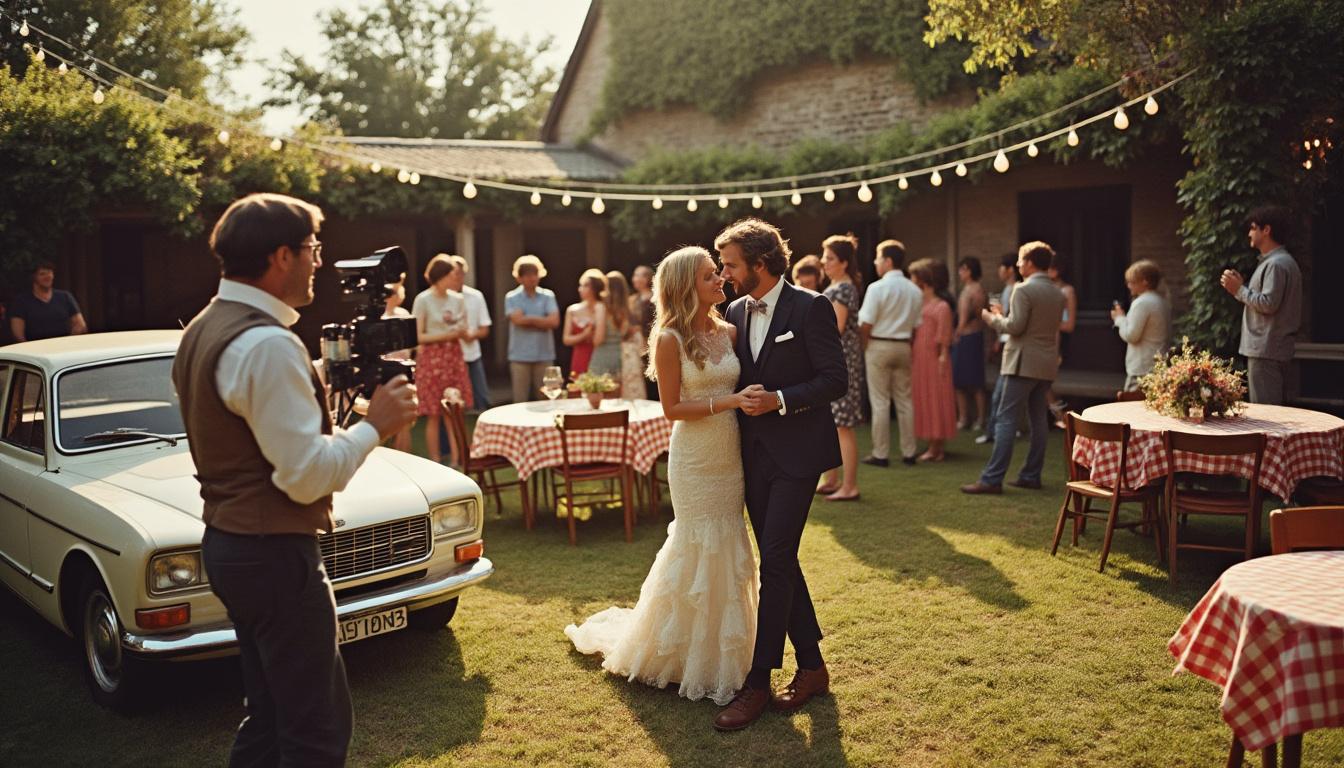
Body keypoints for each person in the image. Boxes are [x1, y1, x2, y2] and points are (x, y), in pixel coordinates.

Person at [172, 193, 418, 767]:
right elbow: (306, 478)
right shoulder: (267, 344)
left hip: (228, 544)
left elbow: (243, 423)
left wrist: (325, 388)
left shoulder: (203, 328)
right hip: (275, 556)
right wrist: (374, 425)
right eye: (313, 247)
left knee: (268, 718)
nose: (319, 261)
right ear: (281, 256)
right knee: (315, 732)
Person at [566, 246, 760, 707]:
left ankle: (726, 654)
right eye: (709, 275)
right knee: (695, 542)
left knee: (728, 538)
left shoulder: (731, 330)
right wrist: (730, 401)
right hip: (693, 456)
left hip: (729, 454)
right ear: (686, 286)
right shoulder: (669, 338)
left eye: (718, 272)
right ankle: (675, 653)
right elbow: (672, 407)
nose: (720, 279)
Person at [714, 217, 847, 732]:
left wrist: (781, 400)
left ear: (761, 263)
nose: (724, 274)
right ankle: (812, 667)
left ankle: (757, 682)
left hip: (798, 454)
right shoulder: (734, 311)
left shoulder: (811, 307)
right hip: (751, 456)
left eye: (730, 265)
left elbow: (834, 379)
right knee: (781, 559)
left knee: (773, 559)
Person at [962, 241, 1065, 495]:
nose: (1018, 265)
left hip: (1021, 362)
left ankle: (992, 479)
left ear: (1029, 263)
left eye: (1020, 260)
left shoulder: (1023, 289)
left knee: (1005, 418)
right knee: (1038, 420)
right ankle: (1031, 475)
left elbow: (1015, 327)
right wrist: (1003, 316)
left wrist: (992, 318)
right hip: (1046, 362)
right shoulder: (1057, 293)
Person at [1220, 205, 1303, 404]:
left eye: (1253, 228)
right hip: (1272, 349)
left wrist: (1238, 290)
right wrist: (1241, 288)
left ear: (1266, 230)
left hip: (1266, 350)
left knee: (1268, 413)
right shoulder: (1279, 262)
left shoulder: (1276, 264)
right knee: (1275, 411)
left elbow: (1268, 304)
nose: (1249, 233)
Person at [858, 239, 922, 467]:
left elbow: (865, 323)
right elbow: (917, 326)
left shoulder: (876, 288)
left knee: (880, 401)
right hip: (904, 344)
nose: (875, 262)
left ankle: (881, 453)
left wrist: (864, 346)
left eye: (878, 258)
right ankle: (909, 452)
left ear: (888, 261)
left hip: (879, 344)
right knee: (905, 401)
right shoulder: (915, 290)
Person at [816, 235, 865, 501]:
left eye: (830, 258)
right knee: (831, 422)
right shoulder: (836, 286)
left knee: (842, 425)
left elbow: (837, 328)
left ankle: (850, 486)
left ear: (844, 263)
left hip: (842, 365)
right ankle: (832, 479)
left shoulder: (843, 289)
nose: (824, 262)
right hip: (834, 363)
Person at [413, 254, 473, 466]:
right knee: (433, 412)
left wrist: (461, 333)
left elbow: (463, 327)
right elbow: (418, 336)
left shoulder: (457, 299)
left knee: (453, 410)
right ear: (440, 276)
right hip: (431, 359)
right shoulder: (423, 300)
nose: (454, 278)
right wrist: (447, 335)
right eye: (450, 275)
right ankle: (435, 460)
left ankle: (458, 459)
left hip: (452, 357)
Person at [908, 259, 957, 462]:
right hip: (919, 357)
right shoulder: (919, 304)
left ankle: (937, 446)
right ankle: (932, 444)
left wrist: (943, 358)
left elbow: (944, 337)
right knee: (924, 397)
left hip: (934, 358)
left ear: (924, 282)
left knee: (936, 398)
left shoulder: (942, 306)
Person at [976, 253, 1021, 445]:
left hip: (1010, 344)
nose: (999, 271)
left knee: (1001, 393)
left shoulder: (1015, 290)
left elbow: (1011, 322)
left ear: (1009, 269)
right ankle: (1000, 429)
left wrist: (994, 318)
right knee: (1004, 392)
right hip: (1006, 342)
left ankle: (994, 431)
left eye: (1001, 267)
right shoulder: (1011, 289)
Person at [505, 255, 560, 403]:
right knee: (520, 400)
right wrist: (542, 320)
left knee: (547, 398)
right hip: (519, 356)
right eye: (528, 275)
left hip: (544, 354)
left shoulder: (548, 296)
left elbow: (554, 322)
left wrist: (527, 319)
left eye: (535, 274)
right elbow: (517, 320)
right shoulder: (512, 297)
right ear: (519, 278)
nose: (533, 278)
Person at [1111, 259, 1171, 391]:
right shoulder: (1162, 301)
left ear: (1145, 281)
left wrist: (1119, 319)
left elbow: (1131, 336)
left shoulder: (1142, 302)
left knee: (1130, 403)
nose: (1128, 285)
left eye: (1132, 281)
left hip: (1142, 370)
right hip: (1159, 367)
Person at [449, 255, 492, 411]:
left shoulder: (476, 296)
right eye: (453, 273)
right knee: (452, 401)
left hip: (472, 354)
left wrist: (471, 335)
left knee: (481, 399)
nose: (457, 277)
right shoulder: (441, 297)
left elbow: (485, 328)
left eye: (460, 273)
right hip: (449, 356)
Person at [8, 261, 87, 342]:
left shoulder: (65, 297)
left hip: (63, 346)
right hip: (35, 347)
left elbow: (80, 325)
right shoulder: (21, 301)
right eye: (42, 274)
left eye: (50, 273)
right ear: (33, 277)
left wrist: (68, 342)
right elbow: (17, 334)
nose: (48, 277)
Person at [953, 257, 988, 430]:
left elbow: (963, 318)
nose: (960, 273)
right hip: (976, 336)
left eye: (962, 269)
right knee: (973, 381)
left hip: (967, 337)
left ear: (969, 271)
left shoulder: (970, 291)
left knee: (962, 382)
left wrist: (955, 335)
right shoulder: (980, 290)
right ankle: (977, 419)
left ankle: (965, 418)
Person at [382, 279, 414, 453]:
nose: (392, 296)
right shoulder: (377, 317)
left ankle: (405, 458)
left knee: (405, 420)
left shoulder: (403, 314)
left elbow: (411, 343)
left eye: (395, 292)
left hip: (402, 370)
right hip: (384, 372)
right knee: (385, 419)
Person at [1046, 253, 1077, 427]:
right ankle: (1059, 416)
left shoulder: (1067, 291)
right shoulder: (1044, 288)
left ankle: (1062, 417)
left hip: (1057, 343)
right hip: (1042, 341)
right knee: (1043, 383)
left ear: (1055, 270)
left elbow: (1069, 325)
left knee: (1045, 383)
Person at [606, 270, 646, 398]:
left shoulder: (623, 307)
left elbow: (625, 332)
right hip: (625, 355)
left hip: (622, 355)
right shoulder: (630, 305)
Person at [563, 269, 605, 378]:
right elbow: (566, 339)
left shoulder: (603, 308)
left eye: (586, 285)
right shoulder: (572, 310)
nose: (580, 289)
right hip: (579, 356)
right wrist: (584, 335)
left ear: (595, 288)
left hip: (598, 355)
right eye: (581, 285)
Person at [630, 264, 658, 399]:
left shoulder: (655, 298)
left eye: (638, 275)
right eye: (634, 275)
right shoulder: (632, 300)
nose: (635, 279)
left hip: (652, 344)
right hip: (635, 345)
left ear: (647, 278)